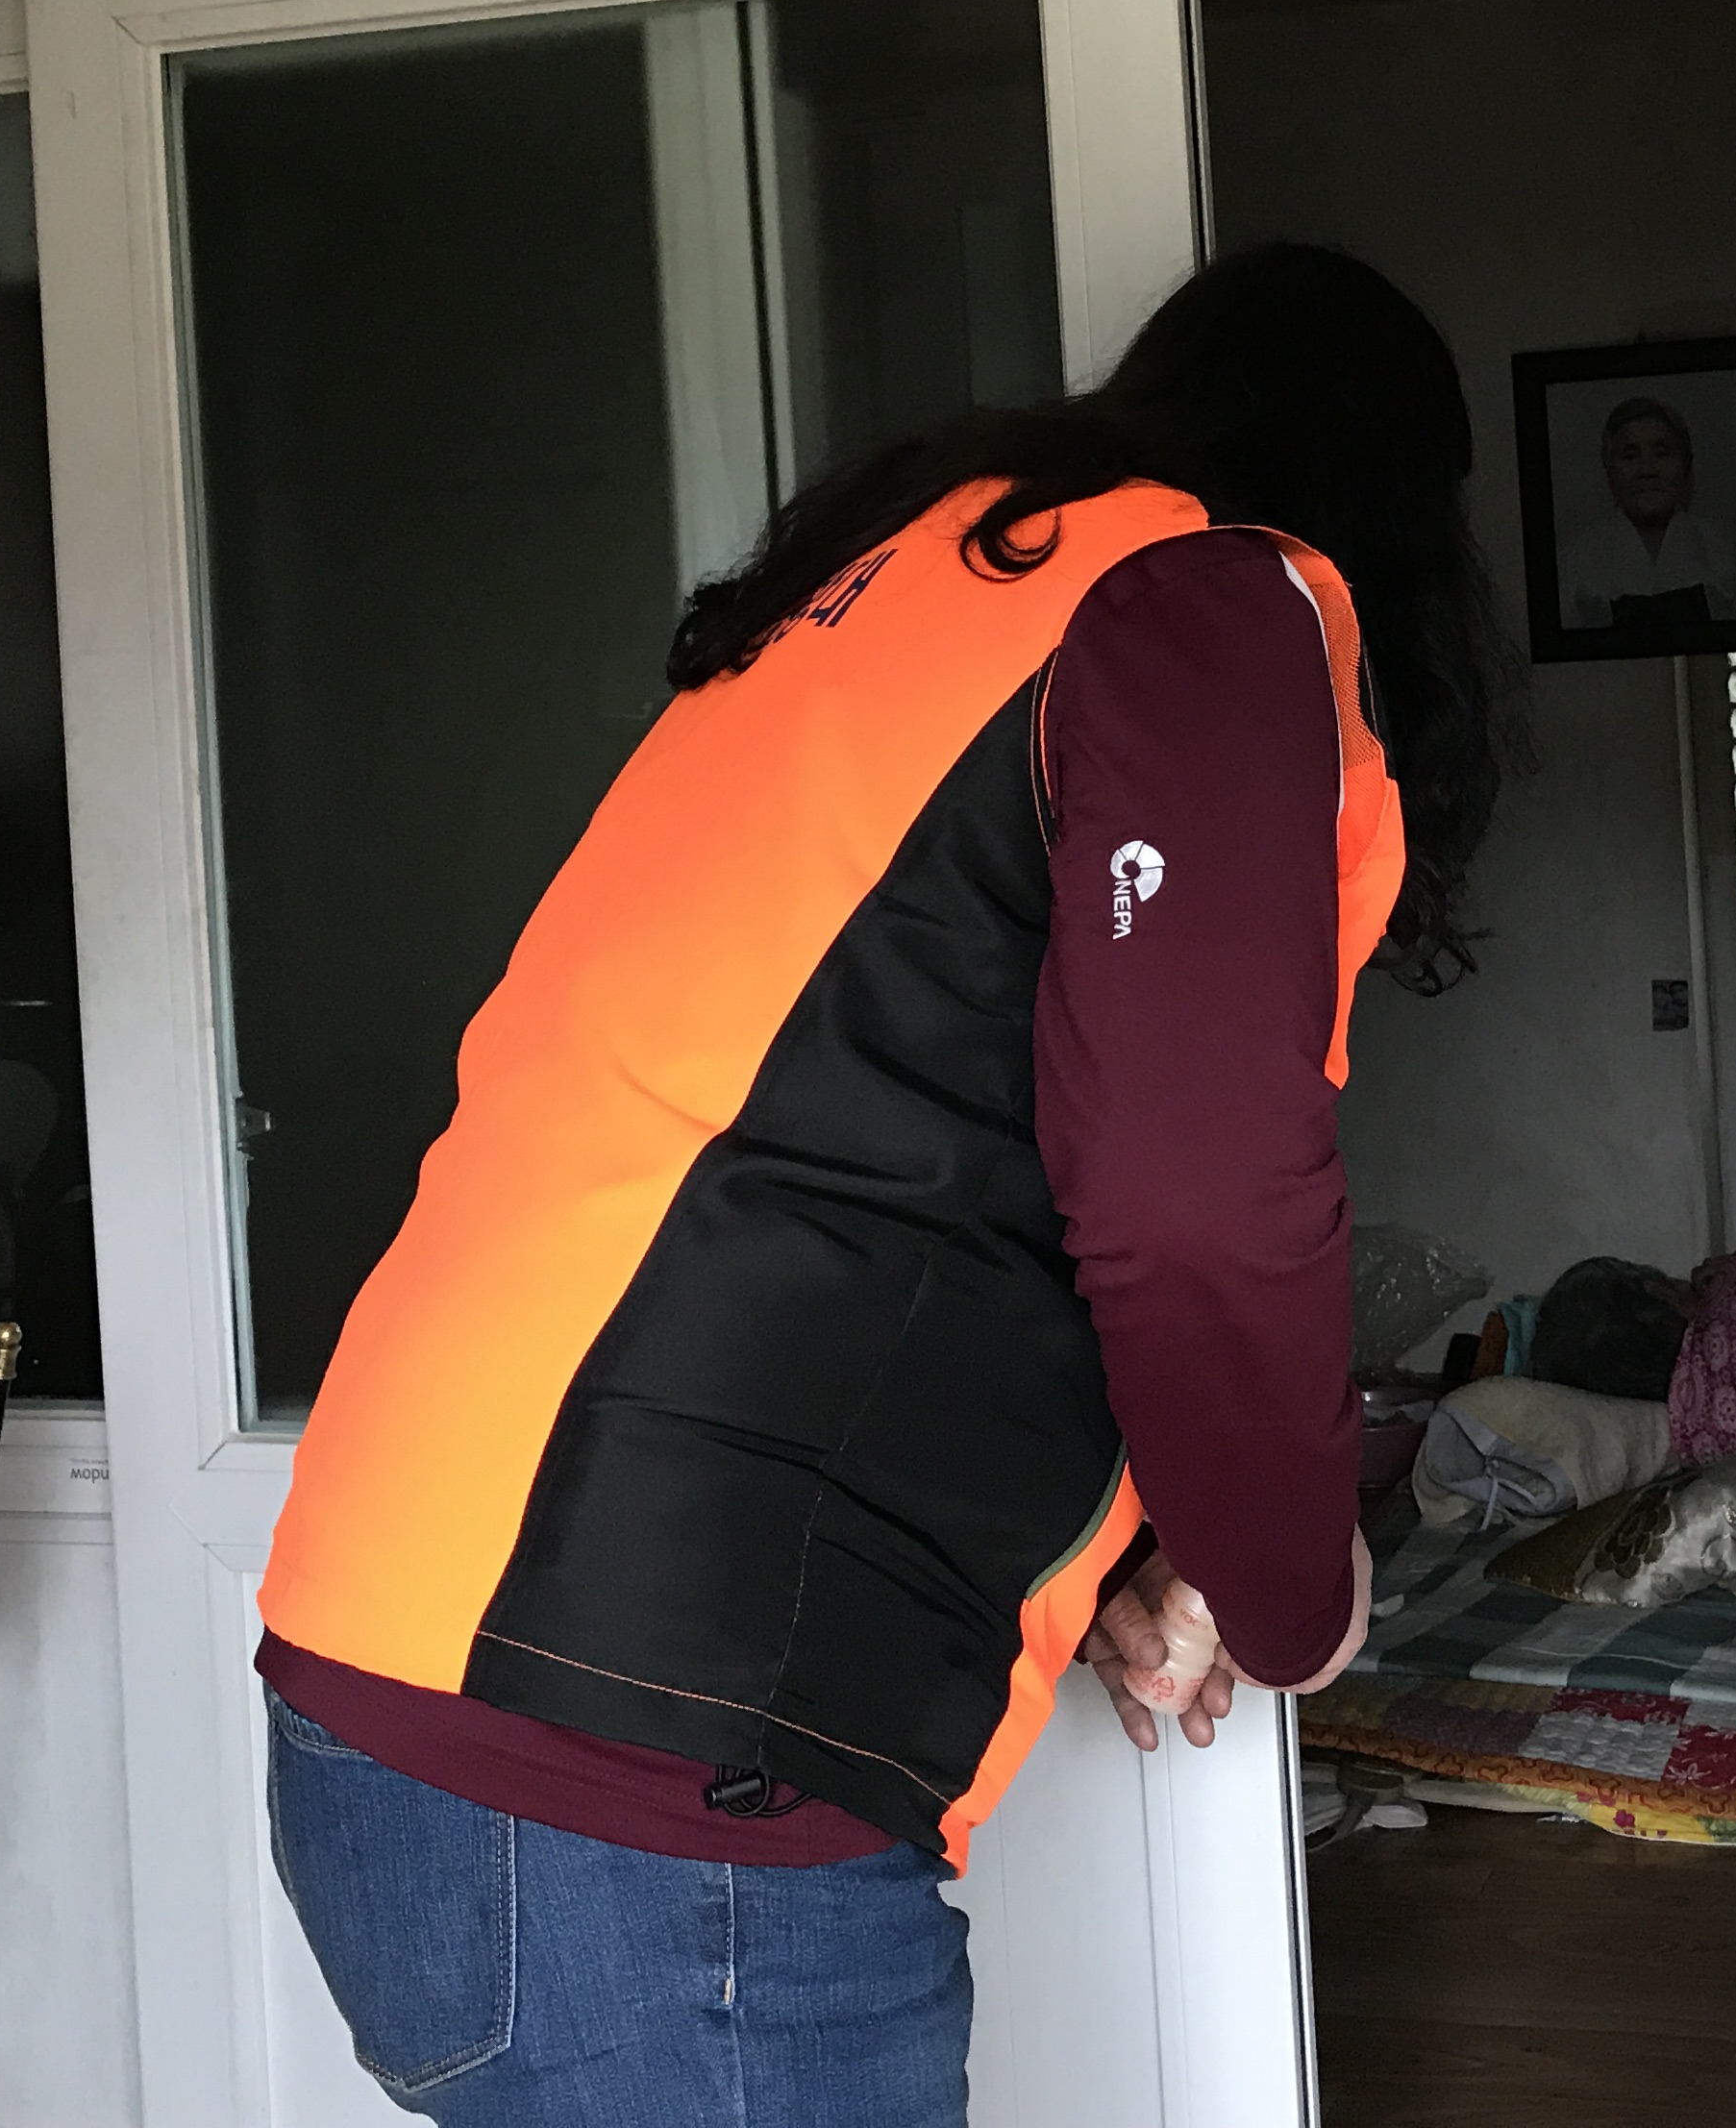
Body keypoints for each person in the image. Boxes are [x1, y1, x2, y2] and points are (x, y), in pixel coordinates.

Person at [253, 243, 1503, 2124]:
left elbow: (864, 1115)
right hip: (647, 1761)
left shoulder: (927, 575)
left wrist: (1140, 1548)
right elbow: (1190, 1192)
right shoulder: (1201, 601)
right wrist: (1288, 1582)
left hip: (387, 1674)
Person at [1555, 390, 1736, 630]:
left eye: (1661, 454)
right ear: (1609, 469)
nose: (1647, 470)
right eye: (1629, 456)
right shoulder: (1574, 561)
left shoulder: (1730, 551)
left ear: (1685, 463)